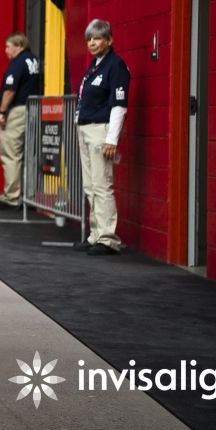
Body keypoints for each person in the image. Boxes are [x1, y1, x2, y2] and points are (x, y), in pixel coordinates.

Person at [74, 19, 130, 256]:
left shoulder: (115, 66)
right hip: (85, 128)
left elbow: (119, 105)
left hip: (101, 131)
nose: (92, 43)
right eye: (89, 39)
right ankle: (95, 234)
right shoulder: (95, 66)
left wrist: (112, 139)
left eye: (97, 38)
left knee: (102, 185)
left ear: (109, 40)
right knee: (90, 186)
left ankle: (108, 239)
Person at [0, 33, 41, 211]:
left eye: (8, 46)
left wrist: (2, 111)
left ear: (19, 45)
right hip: (33, 110)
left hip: (17, 111)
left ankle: (12, 198)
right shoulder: (34, 60)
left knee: (11, 154)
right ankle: (29, 196)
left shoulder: (18, 63)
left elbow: (10, 90)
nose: (5, 51)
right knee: (29, 154)